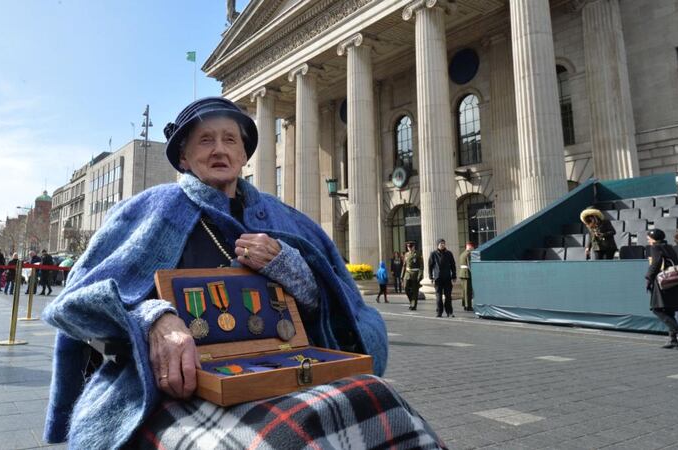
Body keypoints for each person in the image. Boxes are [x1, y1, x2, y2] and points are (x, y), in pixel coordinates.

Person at [41, 97, 445, 449]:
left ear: (245, 153)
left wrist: (296, 274)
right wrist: (151, 320)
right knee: (282, 440)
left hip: (281, 377)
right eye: (205, 140)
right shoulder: (149, 210)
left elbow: (343, 310)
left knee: (384, 405)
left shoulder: (289, 220)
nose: (219, 149)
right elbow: (73, 303)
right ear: (183, 156)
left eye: (230, 139)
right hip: (169, 393)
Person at [644, 229, 678, 349]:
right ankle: (673, 340)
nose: (648, 239)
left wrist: (648, 278)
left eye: (649, 237)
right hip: (673, 282)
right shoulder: (669, 246)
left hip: (662, 282)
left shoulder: (655, 247)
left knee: (657, 309)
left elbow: (655, 264)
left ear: (654, 238)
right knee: (669, 310)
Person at [429, 238, 456, 318]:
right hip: (438, 278)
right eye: (441, 244)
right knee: (439, 297)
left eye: (443, 243)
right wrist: (431, 277)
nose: (442, 245)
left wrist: (454, 275)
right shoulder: (433, 254)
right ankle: (439, 312)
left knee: (448, 296)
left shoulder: (449, 253)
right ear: (437, 245)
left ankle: (449, 312)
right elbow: (430, 266)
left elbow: (453, 265)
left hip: (447, 278)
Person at [402, 241, 424, 310]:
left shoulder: (418, 254)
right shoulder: (406, 254)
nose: (409, 248)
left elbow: (421, 266)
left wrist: (420, 275)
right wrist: (401, 275)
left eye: (411, 246)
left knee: (415, 291)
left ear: (414, 246)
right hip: (407, 273)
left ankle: (413, 305)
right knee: (406, 288)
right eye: (408, 247)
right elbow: (404, 265)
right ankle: (412, 301)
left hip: (415, 274)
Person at [458, 241, 475, 312]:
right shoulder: (468, 254)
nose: (473, 249)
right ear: (470, 247)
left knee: (464, 291)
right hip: (467, 273)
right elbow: (469, 265)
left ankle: (465, 305)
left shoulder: (462, 253)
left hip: (462, 273)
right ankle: (468, 306)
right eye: (472, 247)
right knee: (468, 291)